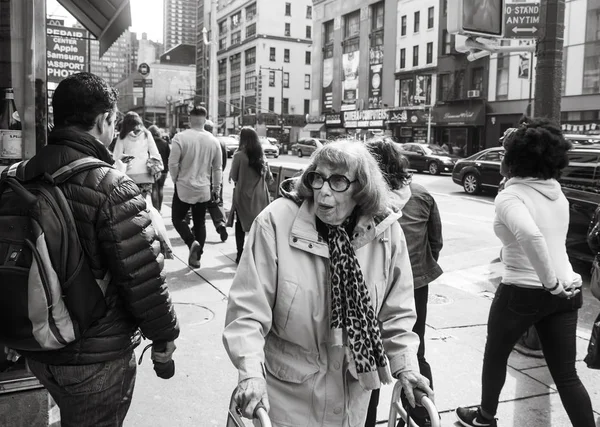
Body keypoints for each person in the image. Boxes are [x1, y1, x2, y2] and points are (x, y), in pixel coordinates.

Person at [223, 140, 432, 426]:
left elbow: (397, 314)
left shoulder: (386, 232)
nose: (323, 190)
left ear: (362, 188)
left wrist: (406, 366)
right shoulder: (274, 222)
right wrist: (250, 373)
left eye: (337, 181)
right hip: (286, 398)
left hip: (351, 399)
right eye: (318, 178)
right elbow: (247, 311)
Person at [19, 72, 179, 426]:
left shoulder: (22, 174)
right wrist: (165, 337)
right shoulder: (112, 185)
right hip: (94, 358)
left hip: (35, 346)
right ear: (106, 119)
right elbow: (143, 277)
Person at [455, 118, 595, 427]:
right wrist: (558, 286)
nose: (500, 158)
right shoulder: (557, 193)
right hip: (568, 292)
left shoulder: (511, 197)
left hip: (523, 291)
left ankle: (485, 417)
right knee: (566, 375)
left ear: (517, 161)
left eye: (505, 154)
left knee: (495, 355)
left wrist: (550, 284)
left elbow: (531, 236)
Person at [365, 140, 443, 427]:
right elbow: (436, 243)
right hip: (417, 286)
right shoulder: (422, 195)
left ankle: (366, 419)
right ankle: (421, 416)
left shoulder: (363, 200)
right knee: (413, 350)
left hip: (372, 286)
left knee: (369, 352)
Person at [168, 105, 222, 268]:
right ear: (205, 120)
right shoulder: (213, 141)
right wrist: (216, 189)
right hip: (203, 188)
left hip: (183, 186)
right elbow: (217, 168)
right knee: (200, 223)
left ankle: (191, 242)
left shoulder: (180, 137)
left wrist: (175, 178)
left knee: (177, 219)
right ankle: (196, 258)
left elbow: (173, 163)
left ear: (190, 119)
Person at [228, 127, 273, 264]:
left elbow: (234, 177)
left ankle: (240, 254)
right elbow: (269, 178)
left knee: (241, 224)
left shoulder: (239, 155)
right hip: (260, 195)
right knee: (258, 225)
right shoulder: (261, 155)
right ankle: (256, 254)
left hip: (244, 196)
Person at [112, 112, 163, 199]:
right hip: (145, 174)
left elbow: (117, 156)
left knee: (130, 202)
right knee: (142, 202)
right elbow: (155, 153)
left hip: (128, 174)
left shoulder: (123, 135)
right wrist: (157, 168)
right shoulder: (147, 134)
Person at [205, 119, 229, 242]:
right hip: (217, 176)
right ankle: (220, 224)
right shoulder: (220, 142)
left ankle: (196, 227)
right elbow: (223, 163)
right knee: (217, 201)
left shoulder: (201, 141)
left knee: (200, 202)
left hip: (203, 176)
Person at [149, 125, 170, 212]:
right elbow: (169, 155)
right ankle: (159, 209)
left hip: (153, 169)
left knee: (154, 188)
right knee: (160, 188)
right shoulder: (164, 143)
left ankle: (155, 209)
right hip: (163, 169)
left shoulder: (150, 143)